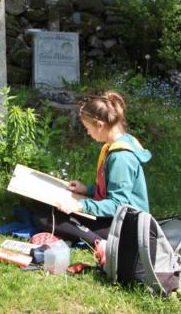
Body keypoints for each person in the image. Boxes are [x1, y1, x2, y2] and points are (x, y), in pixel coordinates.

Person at [29, 91, 151, 250]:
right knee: (40, 205)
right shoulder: (118, 143)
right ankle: (93, 236)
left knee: (45, 217)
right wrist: (86, 190)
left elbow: (119, 205)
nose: (88, 133)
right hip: (117, 219)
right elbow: (110, 189)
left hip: (127, 227)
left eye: (88, 128)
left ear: (100, 125)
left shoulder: (121, 158)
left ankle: (100, 243)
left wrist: (81, 206)